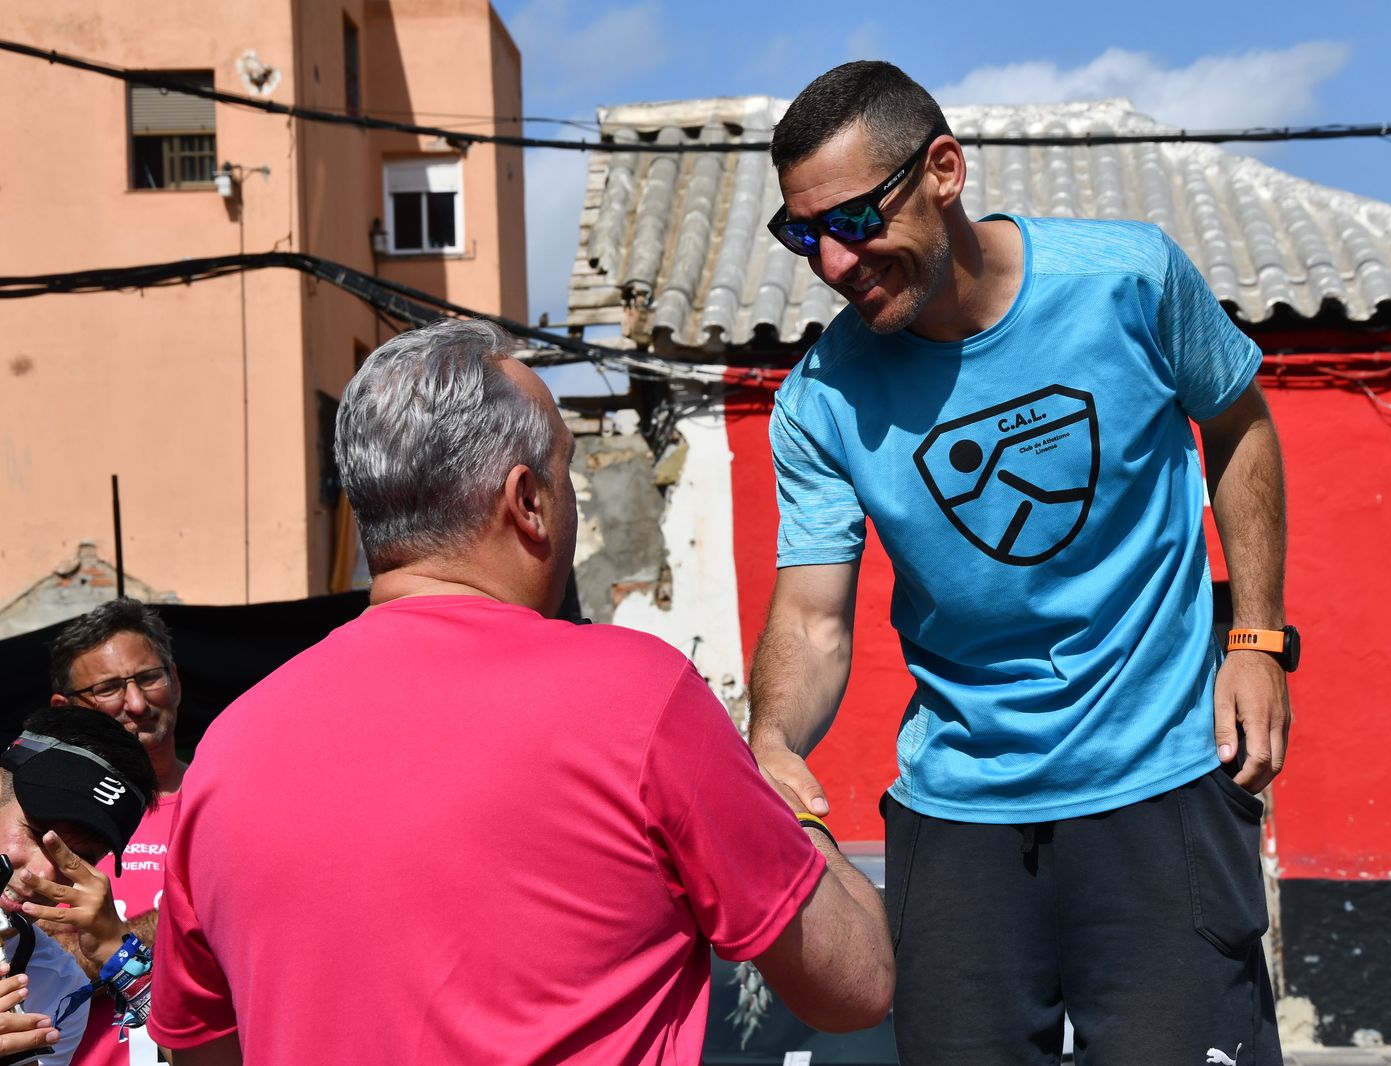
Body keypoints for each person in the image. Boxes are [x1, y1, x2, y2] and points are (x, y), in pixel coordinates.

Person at [148, 318, 893, 1065]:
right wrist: (793, 808)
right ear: (528, 500)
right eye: (565, 472)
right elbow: (853, 984)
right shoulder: (636, 698)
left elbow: (200, 1051)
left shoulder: (225, 753)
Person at [749, 60, 1293, 1065]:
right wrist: (773, 740)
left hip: (1158, 787)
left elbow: (1240, 426)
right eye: (802, 234)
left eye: (855, 220)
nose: (831, 261)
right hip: (956, 821)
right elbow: (815, 615)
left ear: (943, 171)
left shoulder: (1129, 281)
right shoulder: (821, 400)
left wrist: (1256, 639)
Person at [46, 599, 186, 1066]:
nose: (137, 703)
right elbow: (49, 963)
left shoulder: (232, 802)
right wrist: (185, 925)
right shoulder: (41, 820)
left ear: (176, 679)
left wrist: (110, 937)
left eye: (149, 678)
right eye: (107, 688)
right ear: (64, 709)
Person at [0, 706, 159, 1066]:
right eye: (37, 833)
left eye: (78, 857)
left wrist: (119, 955)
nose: (39, 873)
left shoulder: (56, 985)